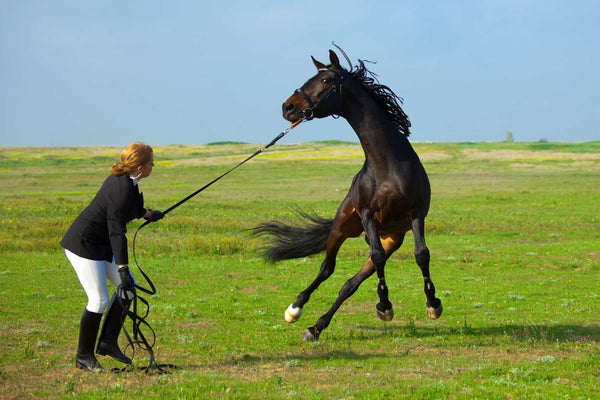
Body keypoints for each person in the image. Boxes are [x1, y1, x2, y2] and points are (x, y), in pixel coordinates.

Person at [61, 142, 164, 372]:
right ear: (139, 166)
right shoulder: (121, 189)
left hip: (100, 246)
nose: (153, 165)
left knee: (128, 290)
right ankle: (83, 356)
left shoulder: (127, 181)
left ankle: (107, 342)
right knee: (99, 300)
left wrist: (149, 214)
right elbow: (117, 232)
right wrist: (123, 269)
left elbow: (133, 207)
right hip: (84, 246)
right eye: (150, 163)